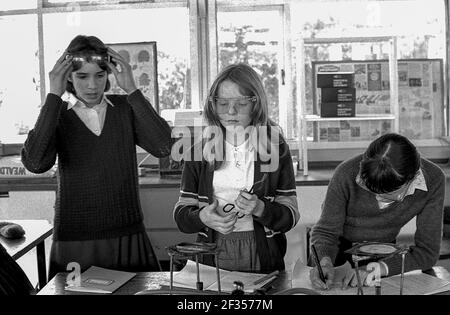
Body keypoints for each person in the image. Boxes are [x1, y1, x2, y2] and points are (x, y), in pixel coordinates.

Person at [21, 35, 173, 278]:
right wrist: (53, 96)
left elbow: (164, 147)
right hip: (75, 239)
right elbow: (36, 163)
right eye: (82, 76)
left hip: (127, 235)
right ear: (68, 76)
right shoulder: (56, 113)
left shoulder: (125, 107)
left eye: (99, 76)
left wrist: (133, 89)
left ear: (108, 75)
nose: (92, 85)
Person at [173, 63, 300, 273]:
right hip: (212, 252)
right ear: (213, 105)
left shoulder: (276, 148)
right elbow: (182, 216)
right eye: (222, 103)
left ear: (255, 104)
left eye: (241, 103)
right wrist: (202, 217)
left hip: (263, 252)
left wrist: (260, 208)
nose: (231, 111)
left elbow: (291, 216)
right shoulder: (198, 151)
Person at [309, 133, 445, 290]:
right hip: (338, 252)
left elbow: (427, 252)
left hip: (384, 253)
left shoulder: (434, 180)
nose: (379, 202)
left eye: (388, 197)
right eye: (371, 191)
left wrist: (381, 268)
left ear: (413, 179)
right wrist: (324, 261)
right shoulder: (346, 173)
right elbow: (326, 232)